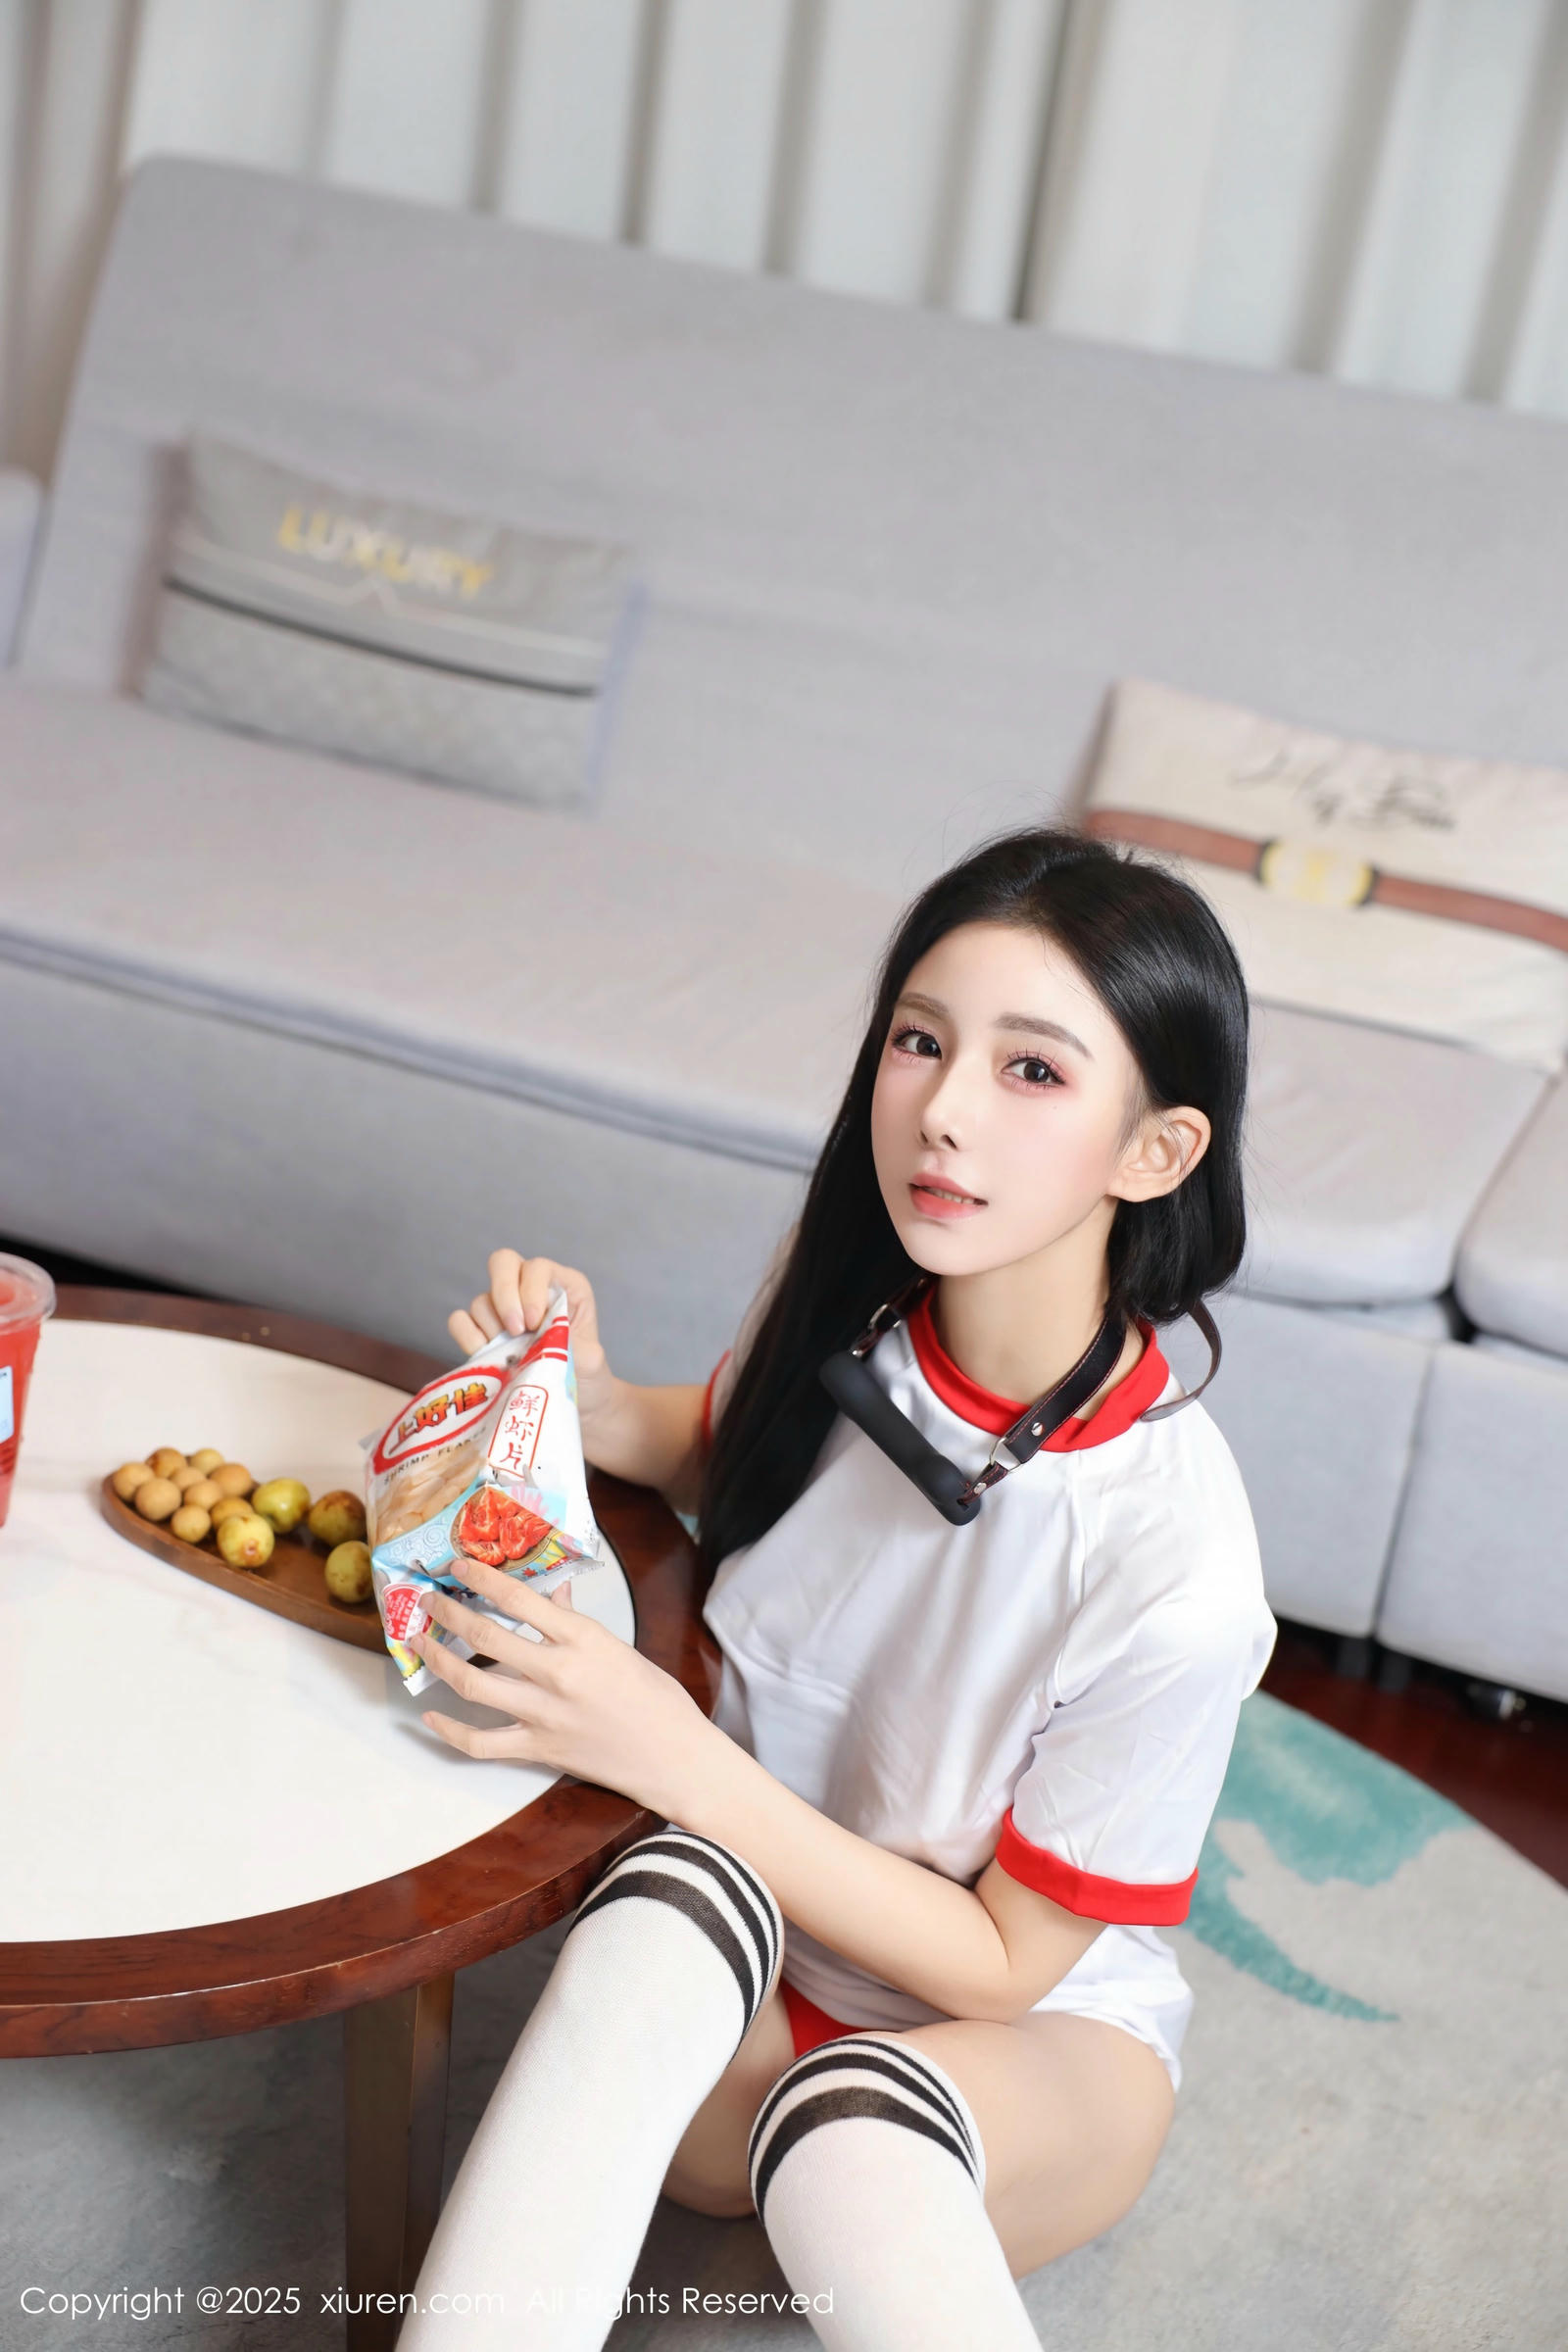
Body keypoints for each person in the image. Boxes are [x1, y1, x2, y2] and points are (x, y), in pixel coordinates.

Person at [396, 826, 1277, 2350]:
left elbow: (1004, 1965)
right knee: (656, 1921)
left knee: (854, 2145)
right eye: (921, 1041)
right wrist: (588, 1397)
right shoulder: (854, 1305)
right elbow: (732, 1448)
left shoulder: (1178, 1567)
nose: (943, 1110)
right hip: (744, 1964)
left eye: (1033, 1069)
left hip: (1023, 2042)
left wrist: (667, 1754)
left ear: (1156, 1151)